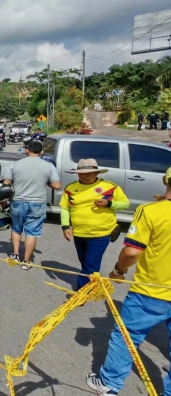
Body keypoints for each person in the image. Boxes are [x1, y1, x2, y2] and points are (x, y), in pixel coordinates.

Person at [85, 166, 171, 396]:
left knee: (127, 335)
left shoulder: (151, 210)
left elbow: (132, 252)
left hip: (152, 290)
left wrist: (118, 271)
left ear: (166, 181)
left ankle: (109, 383)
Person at [60, 158, 129, 290]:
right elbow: (64, 208)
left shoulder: (109, 186)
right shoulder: (70, 188)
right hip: (79, 232)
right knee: (85, 262)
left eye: (89, 173)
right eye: (82, 173)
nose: (85, 176)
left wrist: (109, 204)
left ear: (97, 173)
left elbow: (125, 204)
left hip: (101, 233)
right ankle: (92, 282)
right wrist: (65, 226)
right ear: (77, 174)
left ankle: (82, 291)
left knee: (91, 262)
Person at [3, 141, 62, 270]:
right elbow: (57, 186)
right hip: (38, 203)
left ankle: (15, 254)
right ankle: (26, 261)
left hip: (18, 201)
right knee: (31, 232)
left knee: (16, 229)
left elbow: (6, 183)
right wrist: (45, 182)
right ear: (41, 152)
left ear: (26, 150)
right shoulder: (49, 166)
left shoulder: (16, 165)